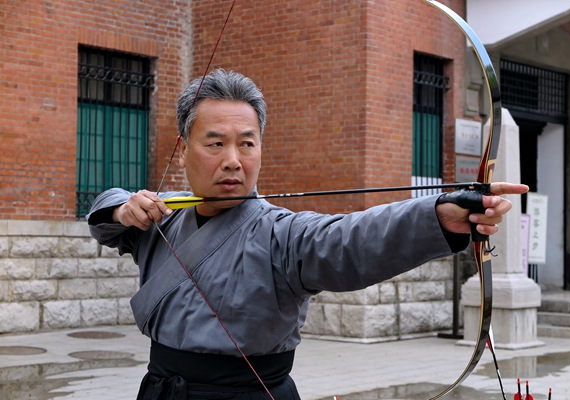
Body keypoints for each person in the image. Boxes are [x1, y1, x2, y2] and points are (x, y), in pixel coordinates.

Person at [87, 68, 529, 400]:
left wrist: (436, 215)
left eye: (247, 142)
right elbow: (103, 217)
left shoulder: (283, 234)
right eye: (215, 143)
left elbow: (351, 241)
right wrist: (124, 209)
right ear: (183, 151)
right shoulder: (157, 218)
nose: (233, 160)